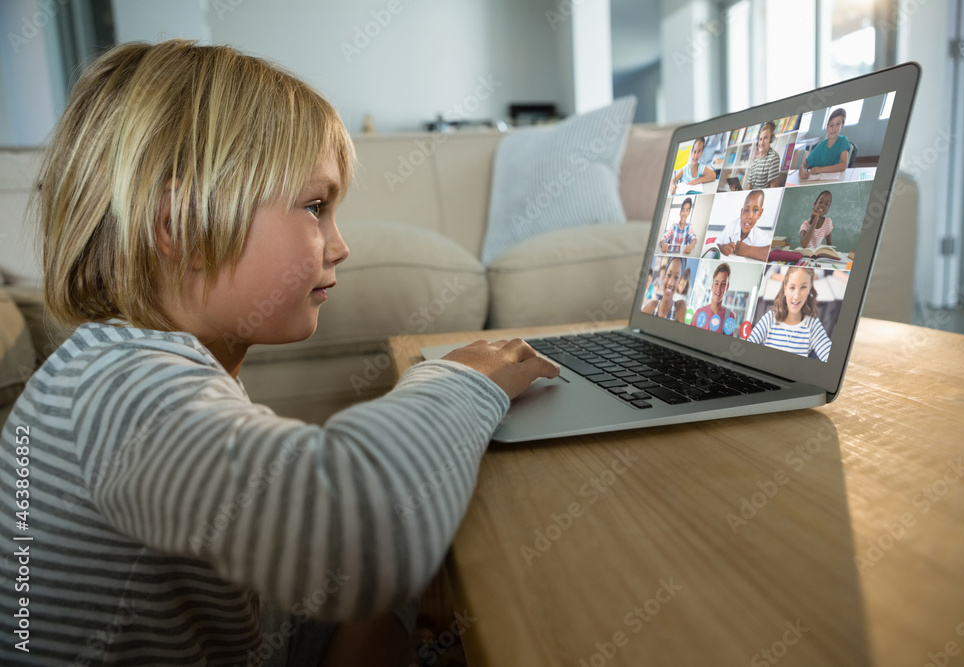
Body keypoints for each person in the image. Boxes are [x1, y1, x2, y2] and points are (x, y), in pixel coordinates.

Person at [0, 40, 559, 667]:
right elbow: (362, 537)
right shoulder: (121, 387)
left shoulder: (128, 363)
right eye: (316, 206)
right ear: (180, 222)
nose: (339, 244)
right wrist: (458, 381)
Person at [748, 267, 832, 361]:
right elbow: (747, 347)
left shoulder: (813, 325)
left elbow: (830, 358)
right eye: (792, 287)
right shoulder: (770, 319)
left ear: (810, 288)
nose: (796, 296)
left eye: (803, 287)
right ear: (785, 288)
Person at [717, 190, 771, 262]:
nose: (749, 216)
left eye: (755, 210)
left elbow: (772, 253)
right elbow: (714, 246)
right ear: (741, 213)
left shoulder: (760, 236)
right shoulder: (731, 226)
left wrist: (748, 250)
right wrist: (722, 248)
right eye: (746, 210)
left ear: (760, 214)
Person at [799, 108, 850, 180]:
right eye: (831, 125)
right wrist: (802, 172)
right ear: (827, 128)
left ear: (842, 126)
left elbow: (843, 166)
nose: (834, 128)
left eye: (838, 124)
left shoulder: (843, 140)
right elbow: (804, 164)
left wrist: (821, 169)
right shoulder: (821, 145)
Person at [692, 263, 737, 334]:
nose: (719, 288)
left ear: (727, 286)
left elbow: (727, 343)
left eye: (723, 284)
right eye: (716, 283)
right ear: (712, 286)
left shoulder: (730, 316)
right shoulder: (699, 312)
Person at [641, 256, 685, 322]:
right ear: (665, 275)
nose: (670, 283)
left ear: (679, 281)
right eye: (669, 275)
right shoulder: (651, 306)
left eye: (676, 277)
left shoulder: (680, 308)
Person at [744, 121, 781, 189]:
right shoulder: (755, 162)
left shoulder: (773, 158)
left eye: (765, 138)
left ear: (771, 139)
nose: (761, 142)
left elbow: (773, 189)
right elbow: (749, 187)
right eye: (760, 139)